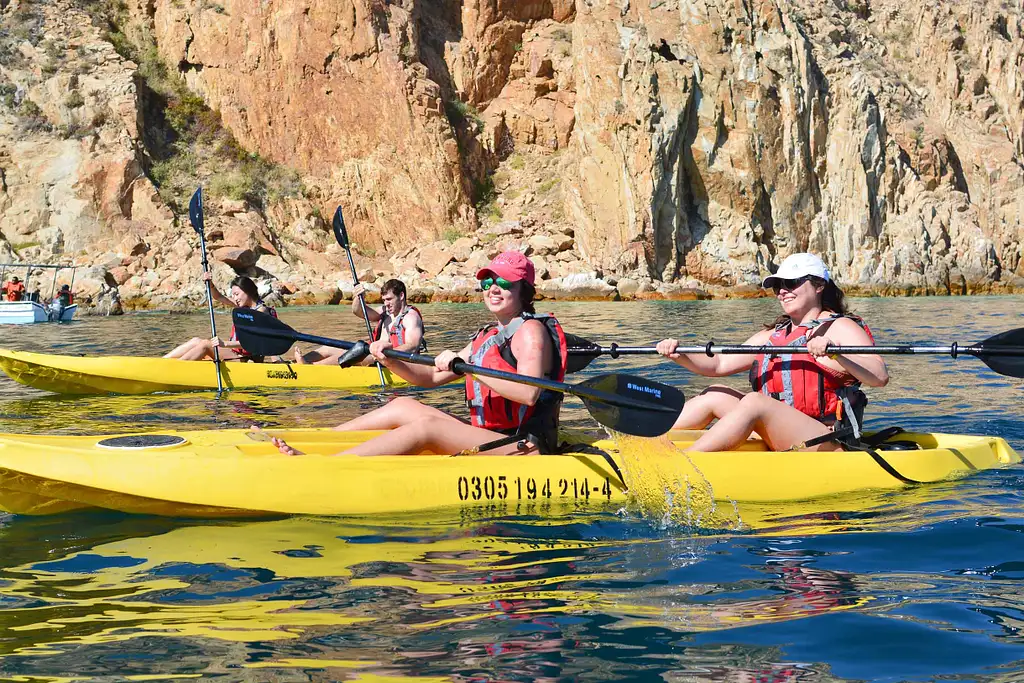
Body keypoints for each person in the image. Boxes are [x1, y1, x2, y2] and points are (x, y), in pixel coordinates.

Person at [265, 251, 568, 457]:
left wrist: (470, 369)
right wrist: (389, 359)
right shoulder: (488, 334)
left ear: (524, 290)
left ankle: (324, 465)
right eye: (488, 282)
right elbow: (431, 376)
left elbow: (528, 393)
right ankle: (319, 441)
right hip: (487, 434)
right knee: (403, 405)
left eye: (503, 282)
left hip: (522, 445)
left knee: (427, 428)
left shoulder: (530, 332)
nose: (492, 288)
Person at [656, 252, 888, 452]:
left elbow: (879, 376)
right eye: (779, 286)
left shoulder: (840, 326)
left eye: (792, 283)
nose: (783, 292)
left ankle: (685, 463)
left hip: (827, 438)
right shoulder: (774, 336)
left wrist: (836, 353)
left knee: (755, 402)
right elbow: (719, 364)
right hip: (781, 430)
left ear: (819, 286)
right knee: (715, 393)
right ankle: (645, 441)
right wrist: (680, 354)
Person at [295, 278, 426, 365]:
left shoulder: (411, 317)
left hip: (398, 362)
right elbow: (359, 311)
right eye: (384, 300)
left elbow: (413, 345)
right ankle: (299, 363)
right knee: (329, 348)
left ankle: (311, 367)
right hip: (376, 356)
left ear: (401, 296)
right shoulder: (385, 312)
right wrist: (358, 298)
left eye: (389, 299)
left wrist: (384, 352)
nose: (386, 303)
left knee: (354, 355)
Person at [164, 273, 277, 362]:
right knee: (196, 341)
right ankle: (163, 361)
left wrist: (224, 344)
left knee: (206, 345)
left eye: (237, 294)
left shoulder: (261, 312)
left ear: (247, 291)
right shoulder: (243, 306)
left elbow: (254, 342)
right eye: (233, 295)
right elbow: (218, 296)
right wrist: (210, 284)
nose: (235, 298)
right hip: (236, 355)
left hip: (248, 359)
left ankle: (171, 369)